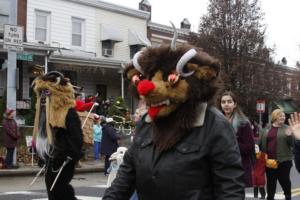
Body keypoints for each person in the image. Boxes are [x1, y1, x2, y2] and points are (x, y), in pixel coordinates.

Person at [103, 30, 245, 199]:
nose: (148, 89)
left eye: (169, 79)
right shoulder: (146, 123)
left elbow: (230, 188)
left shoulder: (214, 125)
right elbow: (126, 174)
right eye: (150, 78)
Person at [32, 71, 83, 200]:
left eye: (47, 92)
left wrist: (70, 155)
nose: (43, 97)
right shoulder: (45, 114)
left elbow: (76, 137)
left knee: (59, 188)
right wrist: (43, 156)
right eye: (41, 92)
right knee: (50, 186)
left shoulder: (68, 112)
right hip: (51, 157)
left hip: (64, 158)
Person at [219, 91, 255, 188]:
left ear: (234, 104)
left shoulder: (243, 123)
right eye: (223, 102)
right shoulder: (216, 122)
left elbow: (249, 147)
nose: (226, 104)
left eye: (229, 101)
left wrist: (231, 142)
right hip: (220, 169)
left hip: (238, 169)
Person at [259, 109, 293, 200]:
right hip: (269, 162)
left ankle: (288, 197)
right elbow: (260, 143)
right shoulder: (266, 129)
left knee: (285, 182)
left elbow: (293, 144)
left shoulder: (287, 128)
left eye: (283, 116)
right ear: (274, 117)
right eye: (280, 115)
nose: (283, 117)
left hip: (284, 161)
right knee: (271, 184)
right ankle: (270, 198)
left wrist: (290, 136)